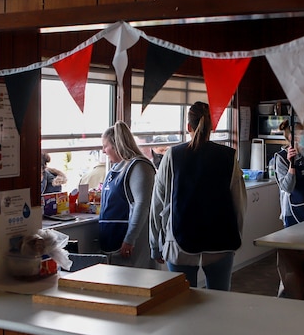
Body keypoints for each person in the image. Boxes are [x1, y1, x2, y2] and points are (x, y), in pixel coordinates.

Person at [149, 101, 246, 290]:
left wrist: (155, 243)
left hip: (179, 241)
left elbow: (157, 203)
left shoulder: (172, 155)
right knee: (219, 302)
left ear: (188, 127)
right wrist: (236, 238)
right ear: (213, 127)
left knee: (183, 303)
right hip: (221, 241)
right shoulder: (228, 156)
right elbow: (239, 204)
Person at [98, 121, 157, 268]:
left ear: (116, 145)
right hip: (112, 239)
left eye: (105, 146)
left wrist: (130, 239)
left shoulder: (139, 166)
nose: (103, 151)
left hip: (133, 242)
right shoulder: (117, 167)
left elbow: (142, 205)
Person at [272, 120, 304, 227]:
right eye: (303, 134)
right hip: (293, 210)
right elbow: (287, 188)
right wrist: (292, 164)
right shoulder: (281, 158)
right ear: (292, 138)